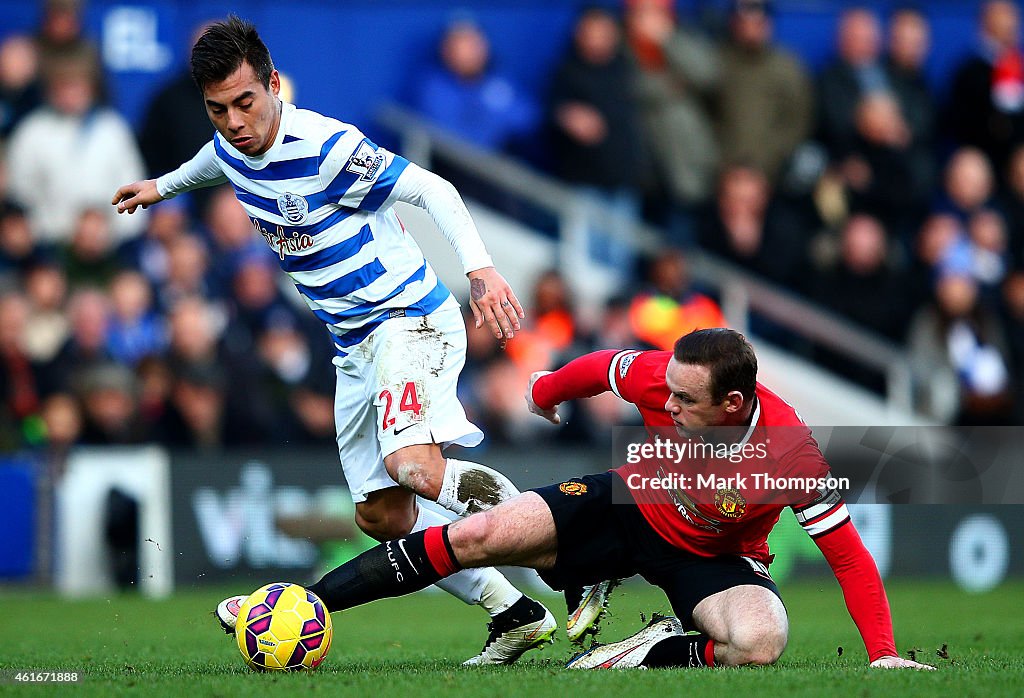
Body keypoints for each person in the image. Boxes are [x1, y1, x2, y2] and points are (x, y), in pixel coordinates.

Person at [110, 16, 563, 665]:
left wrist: (479, 268)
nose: (235, 121)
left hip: (410, 318)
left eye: (245, 102)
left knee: (415, 466)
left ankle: (568, 546)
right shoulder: (230, 143)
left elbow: (431, 187)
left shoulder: (326, 148)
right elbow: (215, 160)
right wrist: (163, 187)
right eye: (218, 109)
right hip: (354, 345)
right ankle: (513, 612)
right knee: (384, 516)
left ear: (272, 84)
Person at [276, 328, 935, 671]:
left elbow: (847, 556)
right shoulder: (664, 377)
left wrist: (881, 652)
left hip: (710, 556)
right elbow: (601, 369)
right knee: (479, 537)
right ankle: (303, 603)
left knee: (762, 643)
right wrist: (546, 393)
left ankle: (648, 650)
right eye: (667, 391)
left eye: (685, 401)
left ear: (733, 405)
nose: (665, 403)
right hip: (626, 506)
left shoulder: (790, 453)